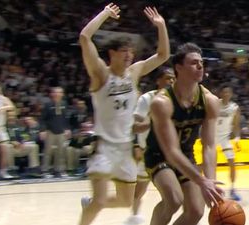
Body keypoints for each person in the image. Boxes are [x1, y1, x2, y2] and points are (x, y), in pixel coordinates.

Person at [78, 3, 170, 225]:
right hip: (104, 145)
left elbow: (163, 55)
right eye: (124, 51)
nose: (130, 55)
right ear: (112, 53)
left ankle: (90, 202)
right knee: (100, 201)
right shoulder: (100, 73)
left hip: (126, 147)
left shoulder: (134, 72)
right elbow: (84, 37)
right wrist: (105, 14)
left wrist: (161, 26)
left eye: (131, 51)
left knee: (125, 201)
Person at [145, 43, 224, 225]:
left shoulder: (210, 101)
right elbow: (171, 152)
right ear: (178, 68)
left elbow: (209, 145)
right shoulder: (162, 102)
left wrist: (210, 182)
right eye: (194, 63)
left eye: (202, 63)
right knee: (174, 199)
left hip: (187, 156)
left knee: (196, 211)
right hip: (159, 156)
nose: (200, 66)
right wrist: (200, 181)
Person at [123, 68, 175, 225]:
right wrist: (137, 144)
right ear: (158, 80)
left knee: (171, 194)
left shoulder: (176, 100)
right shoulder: (147, 99)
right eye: (168, 78)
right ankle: (134, 218)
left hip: (167, 154)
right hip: (147, 152)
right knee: (140, 191)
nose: (172, 81)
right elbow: (134, 125)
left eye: (173, 78)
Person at [215, 85, 241, 201]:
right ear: (221, 93)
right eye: (224, 92)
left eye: (228, 92)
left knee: (232, 163)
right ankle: (209, 188)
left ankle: (233, 189)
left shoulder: (234, 107)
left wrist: (237, 137)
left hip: (225, 137)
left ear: (231, 94)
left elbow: (236, 124)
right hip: (213, 136)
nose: (226, 94)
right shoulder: (215, 103)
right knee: (209, 163)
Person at [40, 87, 71, 178]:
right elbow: (42, 119)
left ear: (62, 94)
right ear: (52, 94)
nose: (57, 94)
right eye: (55, 92)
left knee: (61, 151)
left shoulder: (64, 104)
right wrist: (43, 130)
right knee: (48, 152)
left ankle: (59, 170)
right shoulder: (47, 105)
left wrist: (67, 129)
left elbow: (65, 118)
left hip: (61, 131)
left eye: (59, 92)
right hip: (50, 131)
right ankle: (45, 170)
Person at [6, 111, 41, 177]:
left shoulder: (16, 126)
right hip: (9, 148)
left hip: (19, 148)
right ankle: (11, 170)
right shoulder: (3, 126)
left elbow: (22, 137)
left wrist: (22, 142)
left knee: (34, 146)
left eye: (13, 116)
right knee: (8, 147)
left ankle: (33, 169)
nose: (11, 117)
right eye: (9, 116)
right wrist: (11, 142)